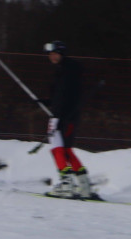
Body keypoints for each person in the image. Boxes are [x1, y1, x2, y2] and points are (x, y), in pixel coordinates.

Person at [42, 41, 98, 200]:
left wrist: (57, 115)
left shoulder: (66, 72)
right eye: (50, 54)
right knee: (66, 150)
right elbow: (63, 95)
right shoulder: (69, 70)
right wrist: (48, 101)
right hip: (69, 115)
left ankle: (66, 185)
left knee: (56, 148)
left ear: (62, 54)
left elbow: (63, 96)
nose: (52, 57)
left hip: (62, 116)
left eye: (55, 53)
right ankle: (84, 185)